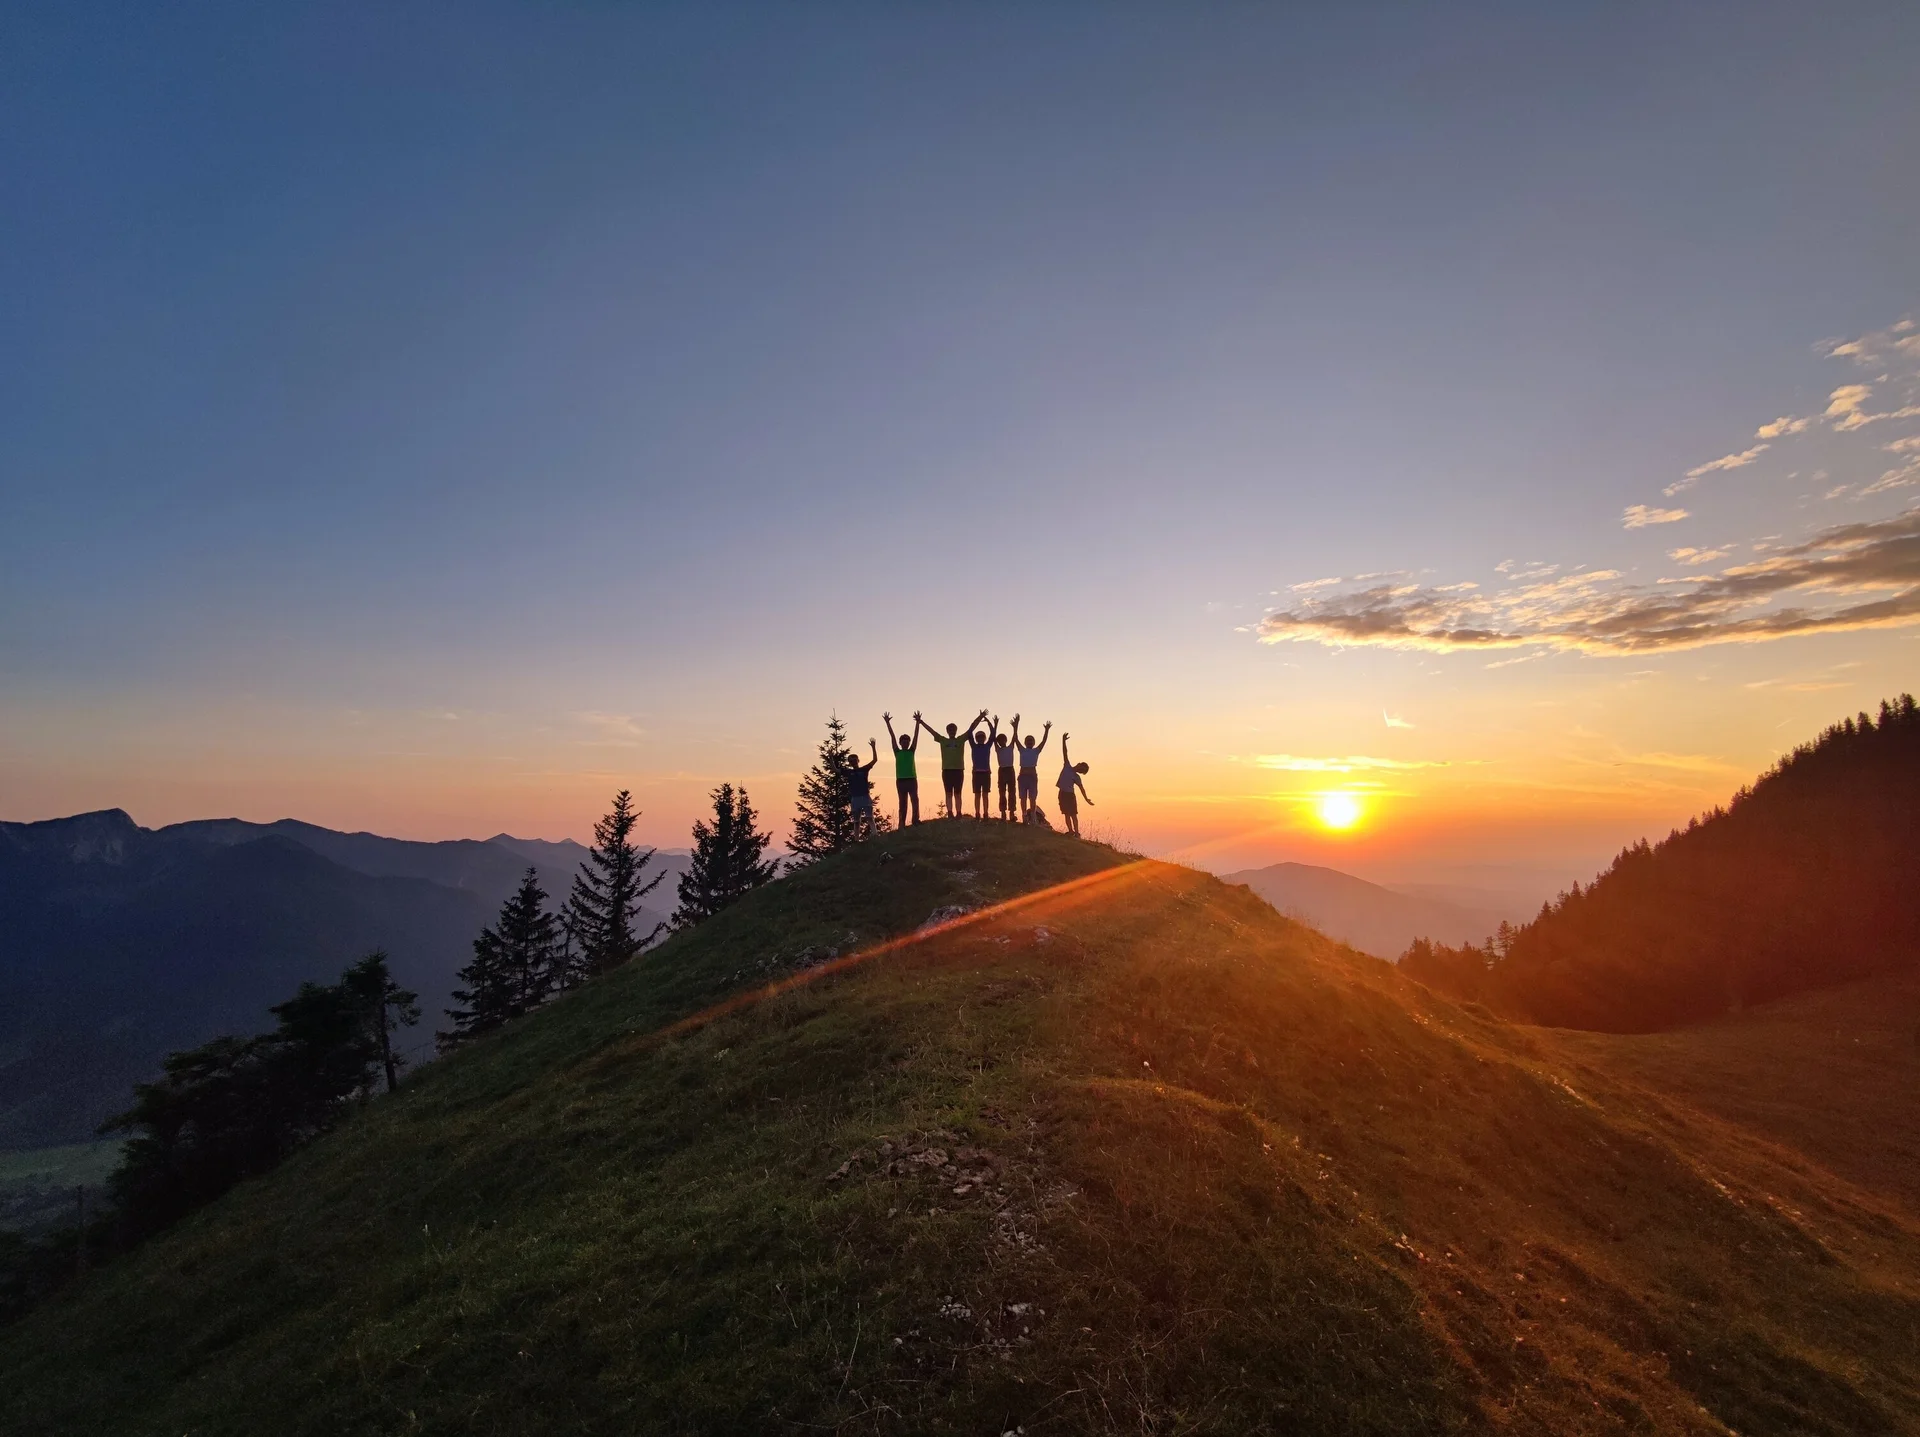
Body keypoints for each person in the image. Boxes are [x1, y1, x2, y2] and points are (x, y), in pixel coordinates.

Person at [919, 708, 987, 819]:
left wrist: (980, 717)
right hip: (946, 770)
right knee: (948, 792)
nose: (951, 731)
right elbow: (932, 732)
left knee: (958, 793)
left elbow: (972, 728)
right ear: (947, 731)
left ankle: (959, 812)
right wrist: (921, 722)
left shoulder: (961, 739)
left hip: (959, 770)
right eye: (950, 730)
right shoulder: (943, 740)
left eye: (953, 729)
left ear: (956, 730)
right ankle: (950, 812)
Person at [883, 711, 922, 826]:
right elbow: (892, 736)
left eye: (907, 741)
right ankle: (901, 823)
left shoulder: (911, 751)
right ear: (900, 743)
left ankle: (915, 820)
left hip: (912, 779)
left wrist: (918, 723)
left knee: (915, 800)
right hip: (900, 780)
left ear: (909, 743)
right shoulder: (897, 752)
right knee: (902, 803)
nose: (905, 743)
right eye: (903, 741)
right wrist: (887, 723)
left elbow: (916, 736)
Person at [1056, 730, 1093, 837]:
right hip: (1062, 793)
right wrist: (1063, 740)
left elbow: (1082, 788)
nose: (1080, 769)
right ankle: (1071, 831)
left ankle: (1076, 832)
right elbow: (1065, 752)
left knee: (1073, 815)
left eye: (1081, 770)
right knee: (1066, 814)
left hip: (1070, 795)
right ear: (1079, 764)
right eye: (1081, 767)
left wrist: (1086, 799)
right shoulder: (1067, 765)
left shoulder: (1076, 777)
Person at [1016, 719, 1051, 819]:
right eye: (1028, 740)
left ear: (1034, 742)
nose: (1029, 742)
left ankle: (1033, 816)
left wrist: (1046, 730)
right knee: (1022, 797)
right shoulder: (1022, 750)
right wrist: (1016, 726)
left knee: (1032, 798)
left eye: (1031, 740)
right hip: (1022, 776)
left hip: (1032, 776)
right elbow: (1015, 739)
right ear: (1025, 742)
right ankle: (1024, 815)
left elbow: (1044, 741)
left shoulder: (1036, 751)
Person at [968, 714, 1001, 819]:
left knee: (985, 795)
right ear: (976, 738)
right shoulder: (973, 746)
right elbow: (969, 732)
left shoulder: (988, 745)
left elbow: (993, 734)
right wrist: (978, 719)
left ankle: (985, 813)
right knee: (977, 795)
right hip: (976, 773)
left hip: (986, 772)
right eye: (978, 737)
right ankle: (977, 813)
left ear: (984, 738)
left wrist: (989, 722)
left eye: (982, 737)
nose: (980, 738)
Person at [847, 738, 881, 839]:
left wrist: (873, 747)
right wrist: (831, 758)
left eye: (854, 760)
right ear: (849, 762)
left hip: (865, 796)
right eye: (851, 761)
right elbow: (835, 770)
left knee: (869, 817)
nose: (853, 762)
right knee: (857, 820)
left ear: (858, 760)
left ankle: (875, 834)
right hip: (855, 798)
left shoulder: (864, 769)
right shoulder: (849, 772)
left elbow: (875, 760)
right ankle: (856, 839)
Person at [994, 713, 1020, 821]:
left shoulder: (1010, 747)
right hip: (1002, 770)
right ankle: (1003, 813)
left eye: (1003, 740)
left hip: (1010, 769)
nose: (1001, 742)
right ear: (998, 742)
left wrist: (1015, 726)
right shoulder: (998, 749)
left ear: (1005, 740)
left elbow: (1014, 737)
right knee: (1002, 792)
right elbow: (992, 738)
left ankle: (1012, 813)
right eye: (999, 741)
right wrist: (995, 725)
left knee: (1012, 791)